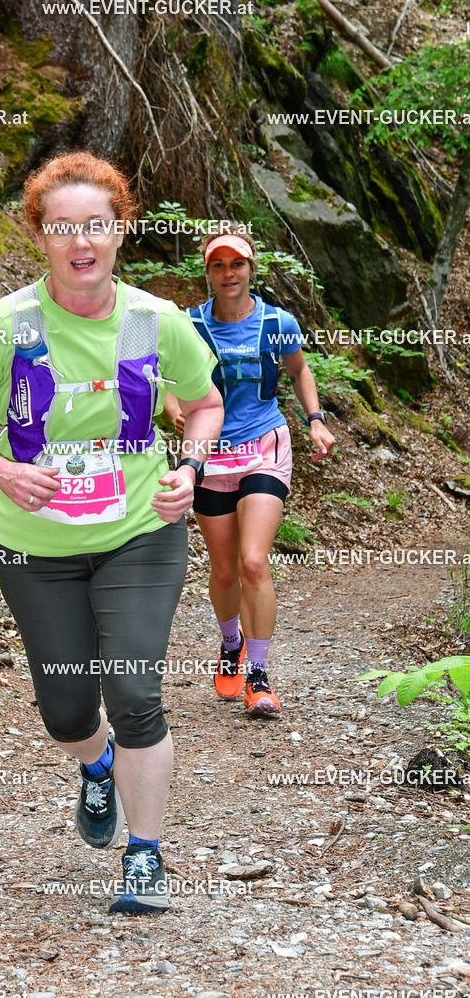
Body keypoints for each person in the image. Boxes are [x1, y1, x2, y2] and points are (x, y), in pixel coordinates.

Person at [0, 151, 223, 914]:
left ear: (120, 232)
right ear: (41, 237)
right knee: (65, 713)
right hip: (36, 544)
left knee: (133, 692)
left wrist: (189, 466)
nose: (81, 242)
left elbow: (206, 400)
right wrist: (0, 470)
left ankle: (145, 859)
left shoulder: (157, 320)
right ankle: (95, 768)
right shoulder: (6, 326)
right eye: (63, 229)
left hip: (138, 531)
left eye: (96, 226)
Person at [164, 227, 335, 713]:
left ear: (251, 268)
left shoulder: (276, 322)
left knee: (253, 561)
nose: (228, 273)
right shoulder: (190, 323)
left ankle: (259, 676)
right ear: (208, 273)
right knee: (222, 570)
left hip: (264, 443)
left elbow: (300, 370)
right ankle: (230, 644)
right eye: (218, 265)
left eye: (236, 264)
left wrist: (315, 420)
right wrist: (175, 407)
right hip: (210, 453)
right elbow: (168, 375)